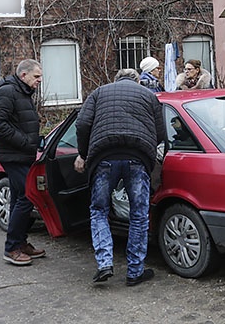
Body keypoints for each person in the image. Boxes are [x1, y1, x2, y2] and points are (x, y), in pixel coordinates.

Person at [74, 68, 166, 286]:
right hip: (138, 157)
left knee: (99, 210)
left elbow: (81, 124)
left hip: (104, 157)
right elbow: (161, 132)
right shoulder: (148, 95)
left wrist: (83, 153)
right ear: (137, 81)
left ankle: (105, 263)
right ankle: (135, 271)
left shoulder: (98, 92)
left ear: (115, 80)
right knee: (139, 214)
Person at [0, 59, 46, 266]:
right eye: (36, 76)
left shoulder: (22, 92)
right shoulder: (8, 92)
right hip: (14, 155)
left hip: (22, 153)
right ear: (23, 75)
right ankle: (12, 247)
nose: (40, 80)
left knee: (20, 197)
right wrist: (24, 142)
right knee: (26, 196)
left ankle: (20, 242)